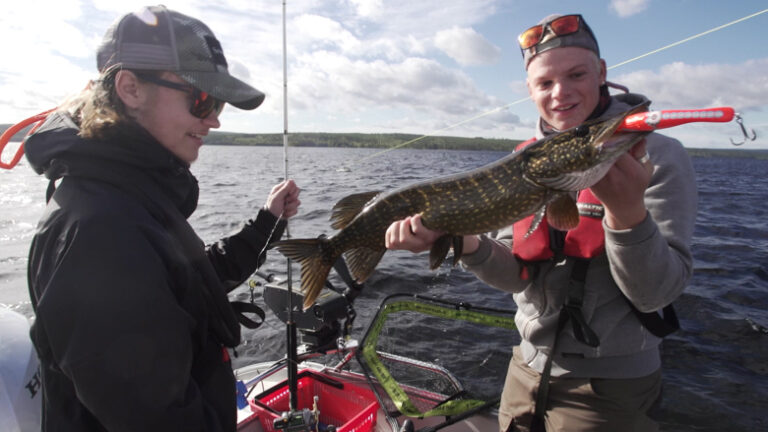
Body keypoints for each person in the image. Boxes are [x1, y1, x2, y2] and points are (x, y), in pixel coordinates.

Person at [385, 13, 697, 432]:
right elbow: (517, 276)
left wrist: (627, 215)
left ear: (601, 73)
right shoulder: (522, 164)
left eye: (576, 75)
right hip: (524, 371)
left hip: (610, 387)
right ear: (529, 90)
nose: (560, 93)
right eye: (545, 83)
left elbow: (656, 293)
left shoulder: (656, 156)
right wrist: (464, 241)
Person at [24, 5, 300, 431]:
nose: (214, 120)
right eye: (201, 99)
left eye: (218, 103)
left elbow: (187, 282)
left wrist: (266, 223)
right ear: (130, 88)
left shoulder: (127, 197)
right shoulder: (100, 231)